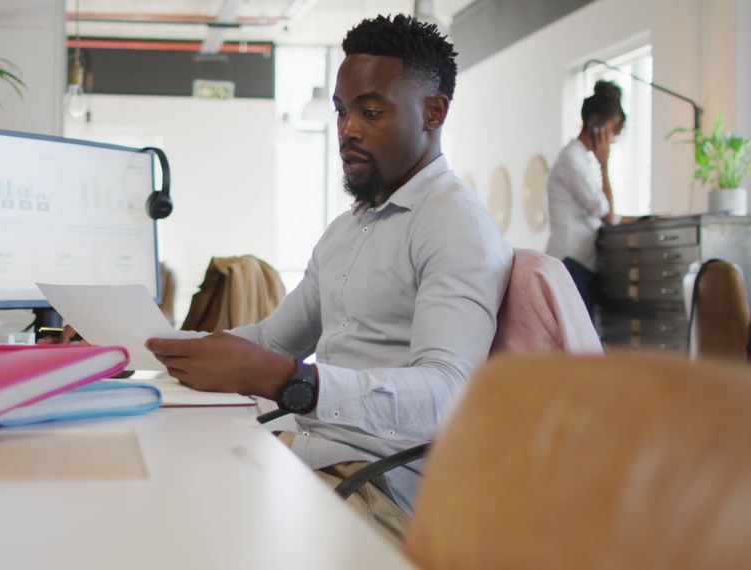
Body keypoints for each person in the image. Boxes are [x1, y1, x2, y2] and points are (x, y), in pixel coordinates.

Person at [144, 14, 511, 539]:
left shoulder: (455, 227)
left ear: (434, 112)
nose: (348, 130)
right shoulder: (348, 230)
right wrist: (140, 345)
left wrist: (293, 383)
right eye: (342, 112)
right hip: (319, 456)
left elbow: (448, 395)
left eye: (371, 111)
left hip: (381, 491)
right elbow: (272, 340)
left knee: (182, 522)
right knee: (163, 483)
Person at [545, 80, 633, 318]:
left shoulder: (581, 159)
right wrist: (605, 164)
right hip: (570, 263)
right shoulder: (572, 160)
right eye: (612, 130)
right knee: (578, 345)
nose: (612, 140)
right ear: (595, 123)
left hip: (581, 263)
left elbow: (607, 213)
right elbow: (606, 213)